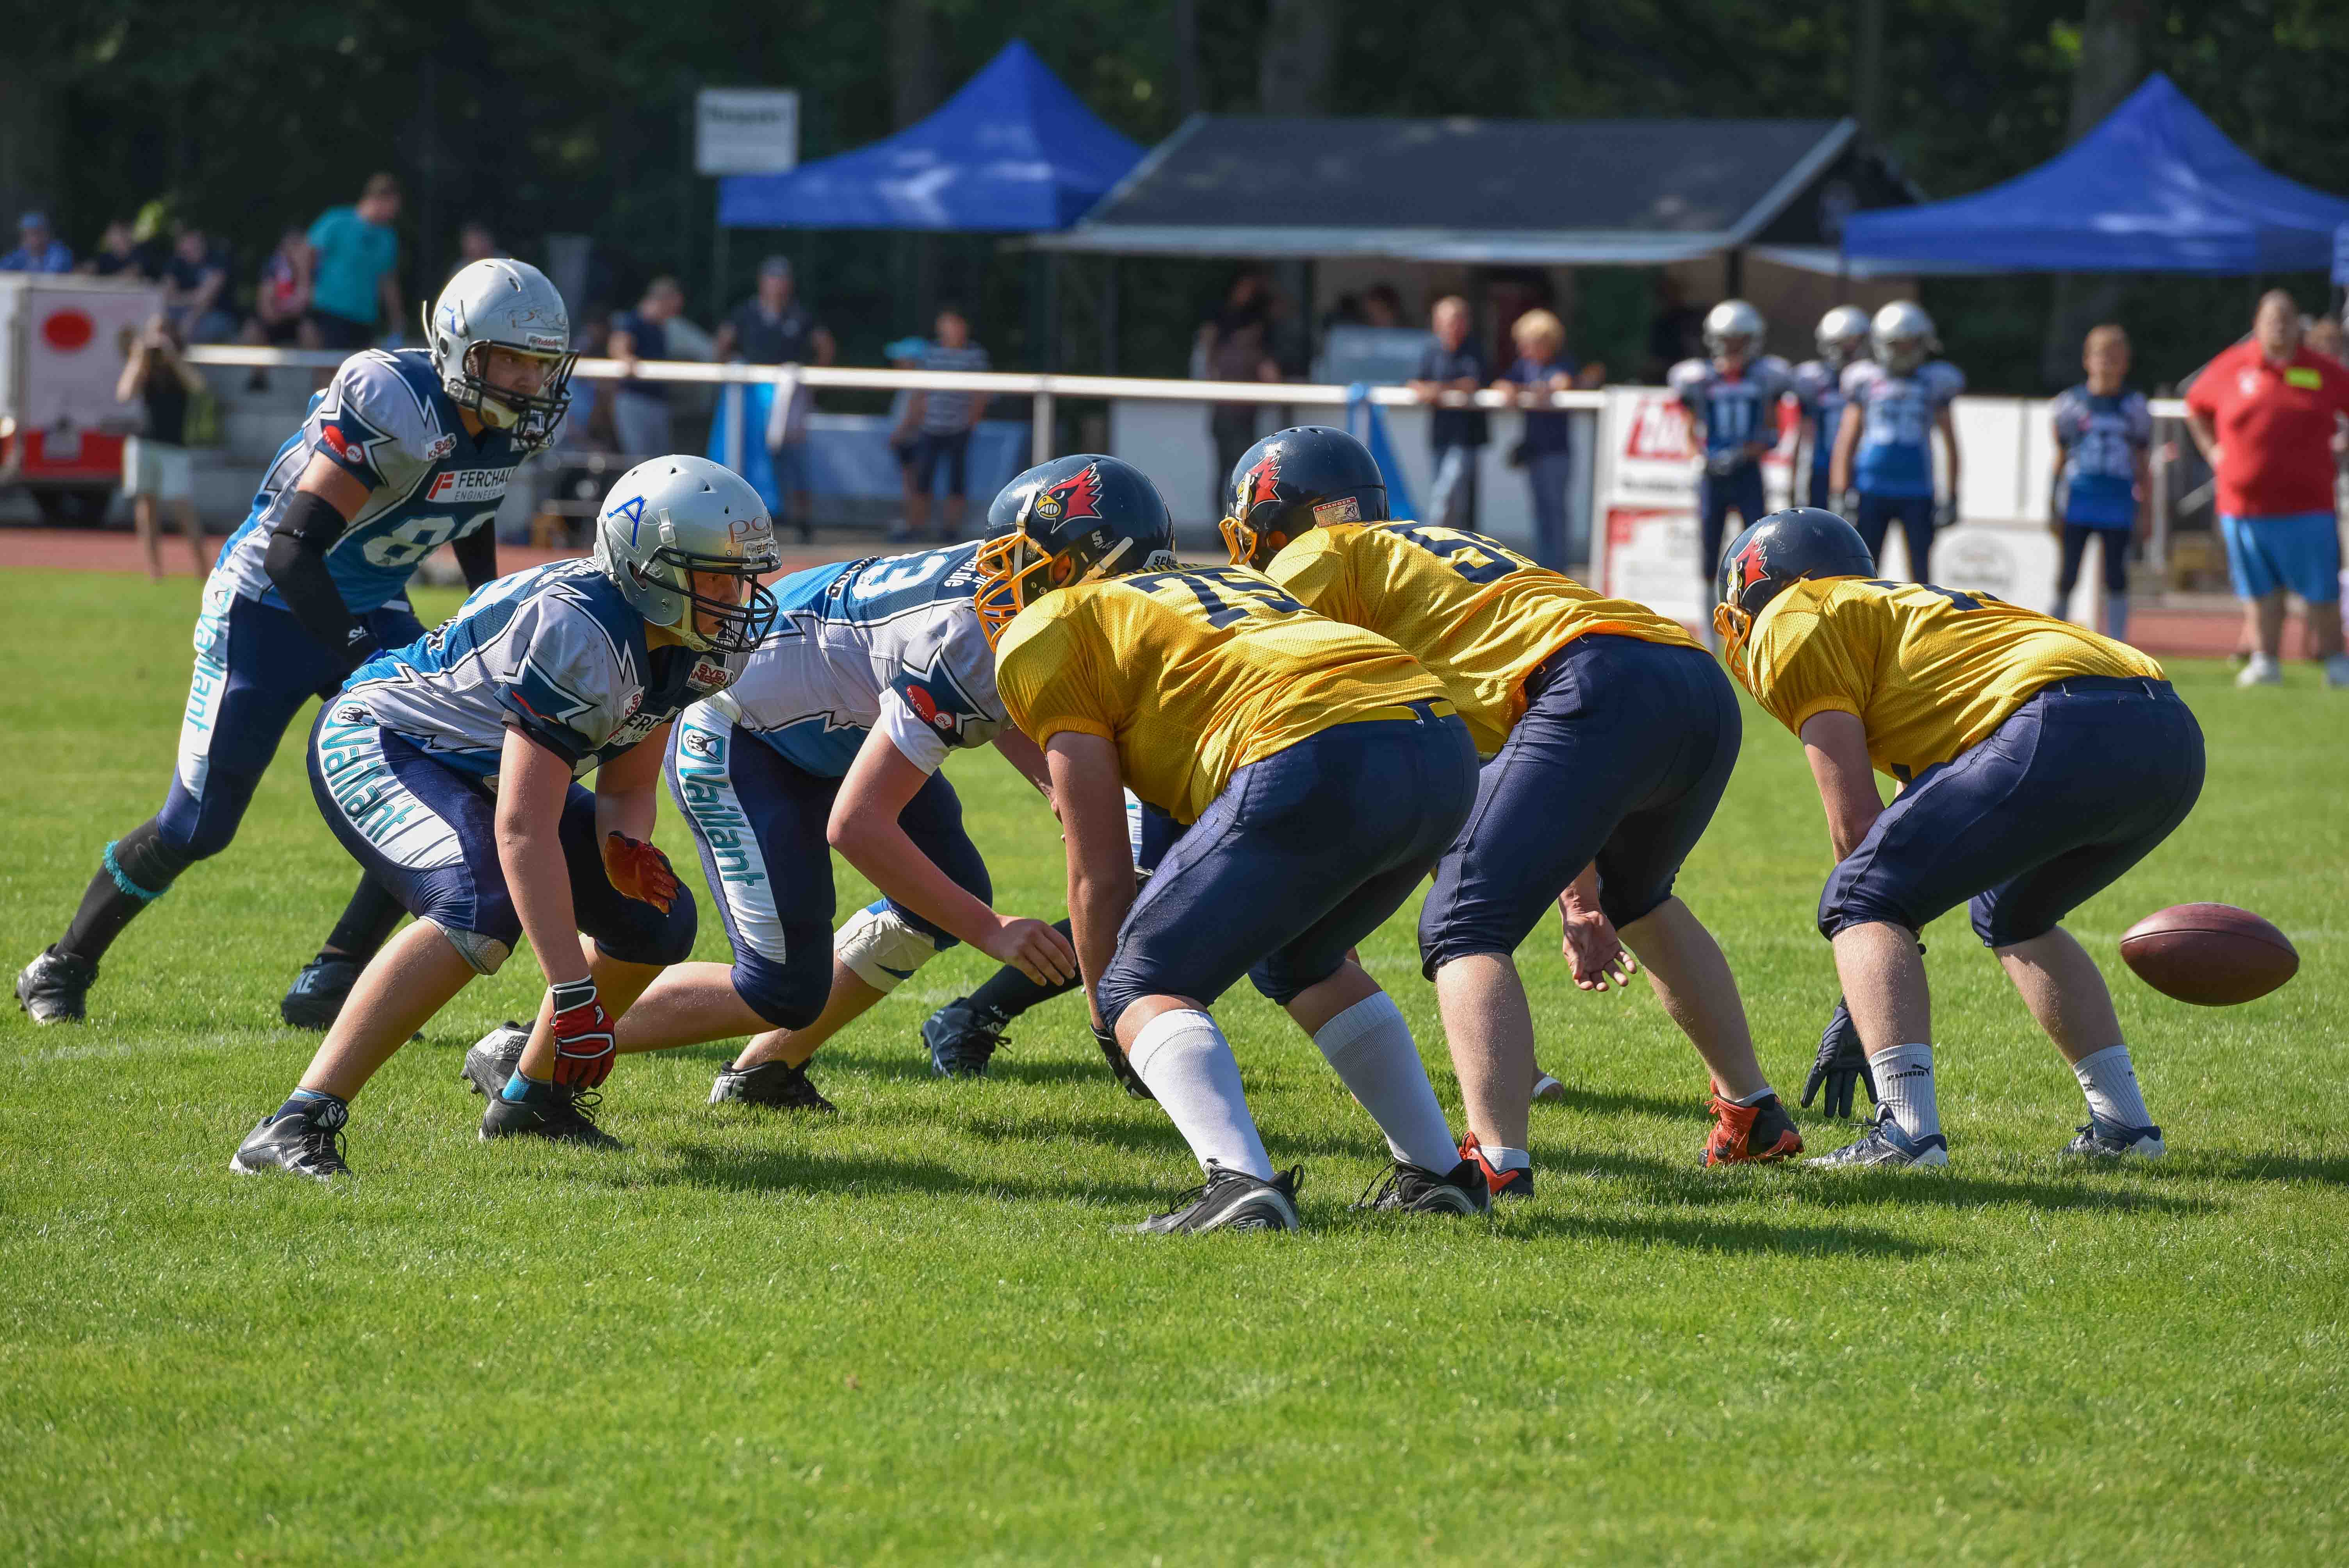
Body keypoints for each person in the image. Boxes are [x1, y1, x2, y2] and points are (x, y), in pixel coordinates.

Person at [1225, 426, 1800, 1192]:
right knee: (1639, 897)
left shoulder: (1315, 555)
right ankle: (1751, 1113)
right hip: (1685, 682)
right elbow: (1535, 773)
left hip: (1590, 685)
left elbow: (1258, 681)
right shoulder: (1427, 551)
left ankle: (1496, 1161)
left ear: (1271, 523)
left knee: (1461, 921)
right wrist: (1580, 897)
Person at [14, 260, 576, 1029]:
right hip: (268, 607)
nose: (527, 379)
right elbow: (290, 551)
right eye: (511, 359)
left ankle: (333, 975)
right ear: (459, 350)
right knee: (197, 826)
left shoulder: (505, 424)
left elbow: (470, 509)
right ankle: (62, 962)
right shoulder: (395, 399)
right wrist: (361, 658)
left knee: (443, 777)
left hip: (372, 600)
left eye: (540, 363)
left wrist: (478, 607)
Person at [984, 454, 1490, 1232]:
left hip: (1313, 744)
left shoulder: (1056, 626)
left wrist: (1107, 1010)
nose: (1002, 581)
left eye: (1021, 560)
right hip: (1436, 743)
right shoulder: (1234, 583)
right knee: (1302, 959)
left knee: (1140, 978)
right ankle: (1437, 1175)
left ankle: (1240, 1188)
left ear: (1081, 557)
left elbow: (1097, 868)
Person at [228, 456, 772, 1179]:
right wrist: (572, 992)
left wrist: (623, 843)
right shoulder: (580, 630)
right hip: (386, 737)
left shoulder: (697, 646)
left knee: (654, 920)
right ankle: (297, 1120)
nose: (734, 597)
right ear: (645, 570)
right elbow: (521, 827)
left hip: (485, 764)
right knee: (477, 905)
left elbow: (630, 778)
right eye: (712, 578)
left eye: (740, 577)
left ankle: (531, 1101)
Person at [460, 534, 1078, 1109]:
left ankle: (766, 1071)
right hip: (744, 735)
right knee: (778, 986)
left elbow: (995, 689)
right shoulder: (966, 630)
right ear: (1071, 566)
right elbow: (860, 825)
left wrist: (1056, 789)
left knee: (946, 897)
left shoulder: (1009, 579)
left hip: (837, 720)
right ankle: (533, 1047)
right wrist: (993, 930)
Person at [1713, 508, 2203, 1167]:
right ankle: (2125, 1127)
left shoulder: (1793, 618)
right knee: (2013, 911)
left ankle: (1907, 1135)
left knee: (1857, 896)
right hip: (2167, 728)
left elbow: (1857, 829)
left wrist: (1861, 997)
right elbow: (1909, 817)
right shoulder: (1899, 607)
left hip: (2057, 722)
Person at [2182, 289, 2349, 689]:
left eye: (2286, 317)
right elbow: (2194, 406)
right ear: (2256, 323)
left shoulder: (2322, 370)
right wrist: (2212, 450)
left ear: (2298, 325)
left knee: (2321, 589)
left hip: (2308, 504)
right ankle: (2264, 661)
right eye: (2271, 317)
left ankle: (2336, 663)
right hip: (2243, 506)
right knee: (2260, 592)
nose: (2279, 324)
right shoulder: (2231, 366)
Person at [1668, 300, 1793, 611]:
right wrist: (1699, 457)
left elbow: (1772, 431)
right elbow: (1688, 428)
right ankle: (1710, 622)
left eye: (1740, 341)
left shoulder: (1765, 377)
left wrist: (1744, 453)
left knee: (1758, 546)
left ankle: (1758, 612)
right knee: (1710, 546)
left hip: (1747, 471)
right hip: (1713, 474)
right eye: (1728, 340)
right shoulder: (1699, 378)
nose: (1734, 348)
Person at [1832, 301, 1964, 583]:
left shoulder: (1934, 381)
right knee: (1863, 573)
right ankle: (1863, 628)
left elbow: (1950, 444)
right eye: (1897, 344)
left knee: (1921, 576)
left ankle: (1921, 628)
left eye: (1910, 344)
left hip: (1917, 490)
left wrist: (1952, 494)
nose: (1904, 352)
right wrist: (1840, 490)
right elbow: (1847, 441)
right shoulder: (1864, 379)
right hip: (1871, 489)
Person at [715, 256, 836, 543]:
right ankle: (750, 522)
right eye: (773, 279)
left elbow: (825, 345)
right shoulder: (745, 312)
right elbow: (723, 342)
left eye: (782, 279)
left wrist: (813, 383)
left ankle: (803, 521)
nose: (778, 285)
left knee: (794, 455)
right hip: (750, 398)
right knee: (749, 456)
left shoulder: (800, 315)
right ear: (762, 281)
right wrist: (727, 373)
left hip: (788, 396)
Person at [2049, 324, 2151, 642]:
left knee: (2117, 576)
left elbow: (2142, 462)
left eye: (2115, 357)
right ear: (2087, 360)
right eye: (2101, 356)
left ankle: (2119, 642)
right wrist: (2052, 504)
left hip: (2117, 500)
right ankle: (2052, 637)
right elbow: (2060, 457)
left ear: (2126, 362)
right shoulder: (2070, 404)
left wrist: (2145, 510)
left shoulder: (2134, 406)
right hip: (2080, 498)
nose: (2107, 363)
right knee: (2068, 573)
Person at [116, 314, 210, 582]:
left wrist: (172, 357)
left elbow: (198, 387)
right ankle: (154, 571)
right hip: (142, 442)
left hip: (173, 446)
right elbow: (124, 394)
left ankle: (203, 569)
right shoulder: (144, 365)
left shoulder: (180, 363)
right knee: (146, 505)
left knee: (183, 507)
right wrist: (138, 358)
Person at [1494, 308, 1580, 569]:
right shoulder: (1525, 367)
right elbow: (1502, 382)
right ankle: (1546, 566)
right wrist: (1510, 389)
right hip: (1534, 450)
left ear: (1544, 342)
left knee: (1556, 511)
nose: (1522, 349)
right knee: (1541, 512)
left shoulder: (1561, 363)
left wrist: (1546, 389)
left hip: (1556, 451)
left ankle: (1559, 568)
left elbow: (1563, 382)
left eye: (1527, 343)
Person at [902, 305, 990, 542]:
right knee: (922, 480)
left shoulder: (975, 355)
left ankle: (951, 531)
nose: (949, 330)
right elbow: (920, 391)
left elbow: (982, 393)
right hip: (930, 427)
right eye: (945, 324)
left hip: (959, 428)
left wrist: (971, 422)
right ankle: (916, 528)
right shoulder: (931, 353)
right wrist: (913, 421)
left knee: (956, 481)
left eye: (953, 324)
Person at [1199, 274, 1281, 519]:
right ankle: (1236, 522)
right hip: (1234, 417)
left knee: (1228, 472)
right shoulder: (1247, 350)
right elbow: (1272, 377)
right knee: (1242, 472)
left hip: (1231, 416)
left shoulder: (1222, 351)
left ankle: (1224, 524)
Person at [1409, 296, 1489, 529]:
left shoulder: (1474, 349)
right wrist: (1431, 390)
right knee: (1448, 495)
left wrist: (1436, 390)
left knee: (1448, 493)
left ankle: (1433, 544)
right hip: (1439, 433)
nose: (1453, 326)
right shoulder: (1432, 350)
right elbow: (1415, 382)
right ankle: (1453, 548)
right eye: (1447, 321)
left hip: (1467, 436)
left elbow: (1471, 383)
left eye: (1457, 320)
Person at [301, 174, 403, 352]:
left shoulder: (388, 238)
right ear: (378, 200)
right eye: (392, 206)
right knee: (330, 369)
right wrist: (305, 288)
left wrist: (397, 321)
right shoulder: (337, 221)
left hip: (365, 318)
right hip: (331, 310)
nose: (394, 213)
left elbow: (388, 282)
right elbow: (307, 253)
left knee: (361, 372)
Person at [1790, 305, 1871, 511]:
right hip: (1821, 468)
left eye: (1851, 343)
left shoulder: (1873, 379)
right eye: (1839, 344)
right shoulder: (1814, 379)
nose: (1845, 351)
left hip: (1863, 469)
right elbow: (1802, 433)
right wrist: (1794, 480)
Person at [608, 277, 686, 458]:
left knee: (661, 463)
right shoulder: (634, 320)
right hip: (636, 402)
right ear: (662, 300)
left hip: (656, 404)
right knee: (640, 463)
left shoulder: (660, 327)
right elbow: (618, 346)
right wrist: (627, 359)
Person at [162, 226, 235, 343]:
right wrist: (193, 298)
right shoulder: (177, 262)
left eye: (192, 239)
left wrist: (189, 317)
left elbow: (206, 299)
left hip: (217, 314)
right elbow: (167, 296)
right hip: (182, 313)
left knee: (198, 331)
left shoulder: (218, 260)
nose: (189, 245)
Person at [2, 211, 73, 272]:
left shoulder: (58, 252)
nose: (32, 238)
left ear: (47, 234)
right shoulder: (21, 253)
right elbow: (4, 269)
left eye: (36, 233)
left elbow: (51, 276)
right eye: (27, 234)